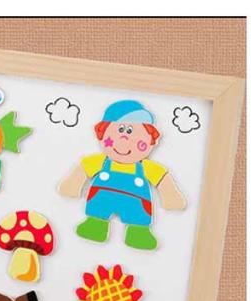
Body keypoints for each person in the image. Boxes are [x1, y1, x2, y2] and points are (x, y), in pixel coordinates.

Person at [59, 99, 186, 250]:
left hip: (135, 205)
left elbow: (162, 179)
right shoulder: (101, 161)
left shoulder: (146, 167)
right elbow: (83, 170)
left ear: (151, 139)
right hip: (103, 200)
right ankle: (96, 224)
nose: (124, 137)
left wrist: (171, 199)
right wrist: (71, 187)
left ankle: (138, 232)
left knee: (138, 216)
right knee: (99, 208)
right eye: (120, 130)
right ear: (103, 132)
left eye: (131, 131)